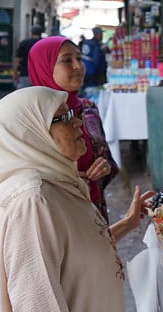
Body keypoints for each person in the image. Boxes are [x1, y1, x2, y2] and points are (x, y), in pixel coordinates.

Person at [0, 86, 152, 312]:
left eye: (73, 113)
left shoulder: (55, 185)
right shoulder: (32, 201)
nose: (78, 122)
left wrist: (128, 222)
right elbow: (36, 311)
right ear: (30, 133)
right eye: (62, 117)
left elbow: (74, 251)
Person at [28, 36, 120, 221]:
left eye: (79, 58)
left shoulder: (88, 109)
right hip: (56, 217)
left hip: (94, 213)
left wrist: (104, 166)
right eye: (67, 60)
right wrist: (63, 177)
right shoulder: (33, 119)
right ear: (44, 67)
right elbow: (22, 176)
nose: (78, 66)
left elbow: (107, 160)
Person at [11, 23, 44, 89]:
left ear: (31, 32)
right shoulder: (44, 43)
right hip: (40, 76)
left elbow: (17, 60)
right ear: (41, 32)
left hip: (25, 74)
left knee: (24, 96)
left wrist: (15, 73)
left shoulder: (24, 43)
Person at [80, 26, 107, 93]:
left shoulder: (87, 43)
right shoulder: (95, 45)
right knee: (93, 92)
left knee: (86, 91)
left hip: (84, 71)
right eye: (101, 34)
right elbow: (96, 60)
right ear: (96, 34)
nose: (102, 36)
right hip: (93, 74)